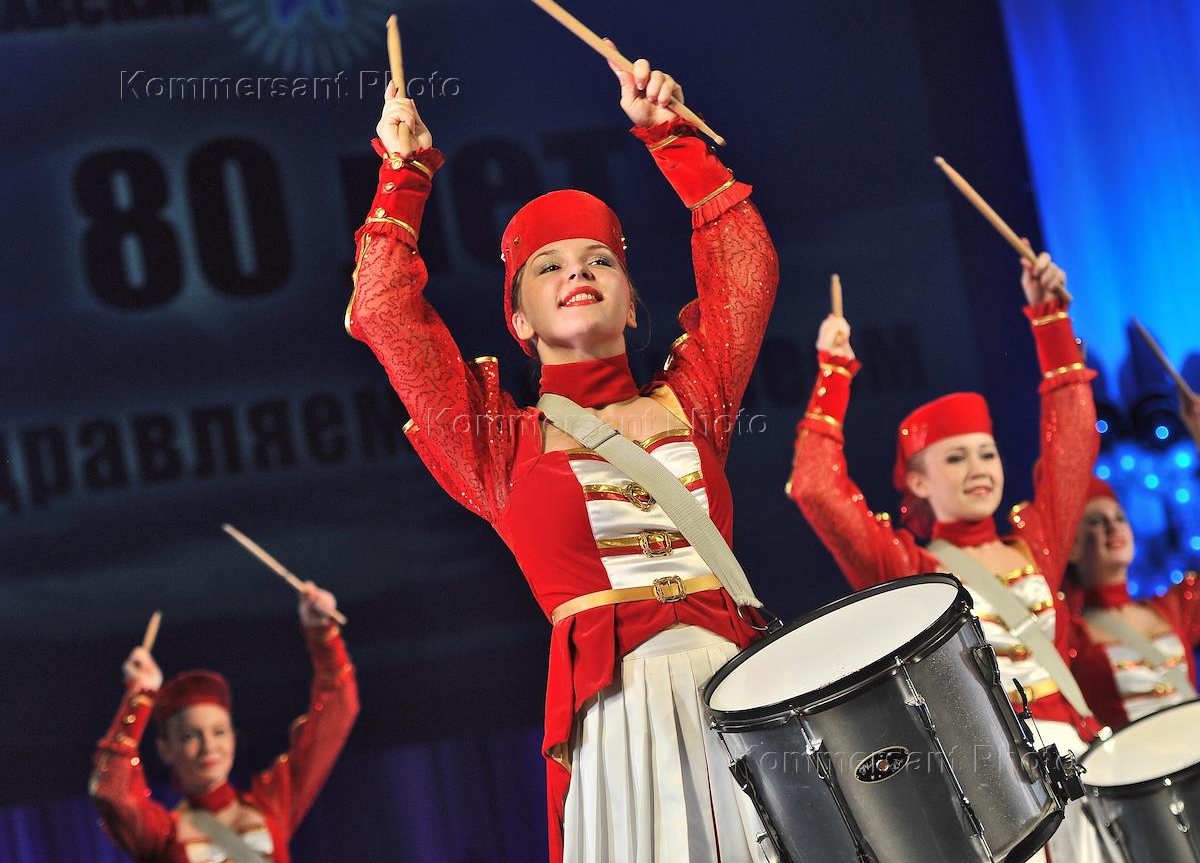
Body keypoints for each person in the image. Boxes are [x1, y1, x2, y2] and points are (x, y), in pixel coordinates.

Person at [347, 52, 778, 862]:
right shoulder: (498, 448)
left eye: (599, 259)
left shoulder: (694, 400)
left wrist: (672, 140)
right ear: (519, 323)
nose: (577, 269)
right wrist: (403, 173)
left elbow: (745, 271)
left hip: (743, 702)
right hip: (618, 727)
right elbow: (382, 309)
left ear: (631, 302)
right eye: (548, 266)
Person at [787, 253, 1106, 862]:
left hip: (1076, 771)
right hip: (989, 783)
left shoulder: (1035, 541)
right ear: (917, 482)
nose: (978, 468)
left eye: (987, 453)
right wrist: (834, 373)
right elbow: (816, 489)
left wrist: (1050, 318)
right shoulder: (909, 572)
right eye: (955, 458)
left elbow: (1072, 442)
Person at [89, 584, 358, 863]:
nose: (209, 746)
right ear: (165, 749)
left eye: (219, 732)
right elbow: (111, 793)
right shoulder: (162, 835)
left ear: (232, 737)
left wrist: (322, 632)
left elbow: (335, 717)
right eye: (190, 736)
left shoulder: (273, 804)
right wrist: (140, 697)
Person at [1067, 471, 1199, 727]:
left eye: (1120, 518)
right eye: (1096, 521)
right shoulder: (1072, 633)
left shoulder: (1173, 607)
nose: (1113, 526)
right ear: (1073, 547)